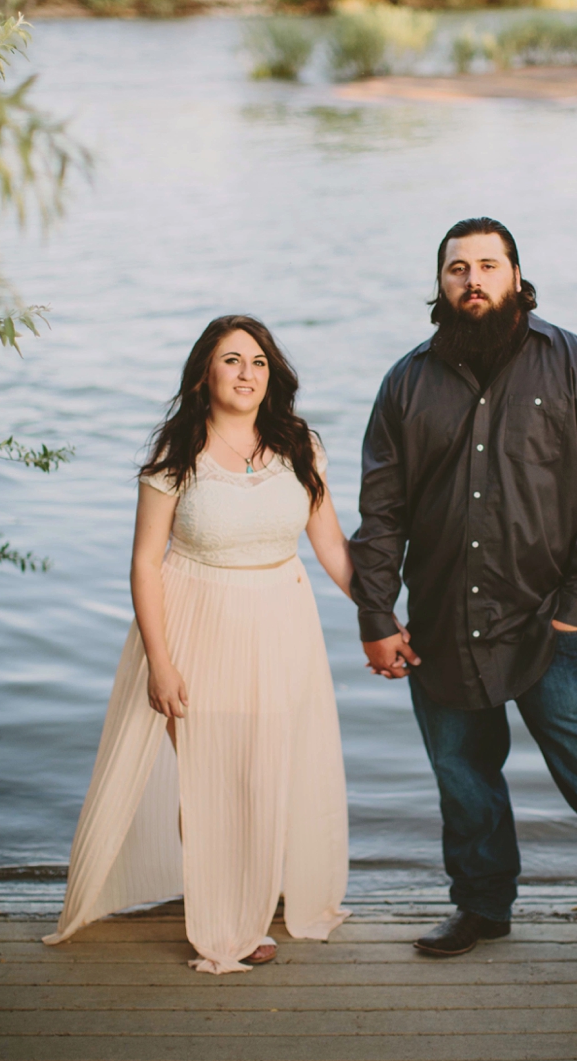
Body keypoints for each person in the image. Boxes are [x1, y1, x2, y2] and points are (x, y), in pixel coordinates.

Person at [348, 218, 577, 1019]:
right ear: (440, 284)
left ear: (518, 275)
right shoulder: (405, 383)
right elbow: (380, 514)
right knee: (463, 779)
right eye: (457, 268)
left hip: (549, 627)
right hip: (441, 623)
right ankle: (483, 905)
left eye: (487, 264)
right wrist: (375, 613)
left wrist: (573, 611)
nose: (471, 279)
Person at [45, 315, 359, 973]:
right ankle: (223, 920)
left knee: (266, 769)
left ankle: (251, 893)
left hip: (283, 623)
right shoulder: (174, 457)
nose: (247, 373)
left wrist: (379, 614)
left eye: (259, 362)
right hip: (195, 624)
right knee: (214, 776)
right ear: (202, 375)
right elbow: (144, 563)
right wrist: (160, 661)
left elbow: (329, 543)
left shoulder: (299, 445)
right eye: (231, 360)